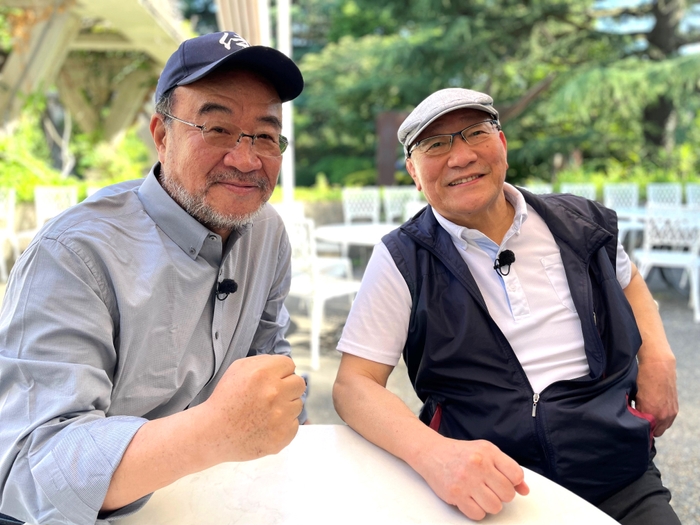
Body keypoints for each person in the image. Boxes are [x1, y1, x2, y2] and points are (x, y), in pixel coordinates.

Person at [0, 31, 308, 525]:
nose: (246, 159)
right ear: (162, 136)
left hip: (217, 498)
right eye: (217, 128)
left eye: (266, 136)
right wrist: (211, 431)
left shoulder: (265, 232)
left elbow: (269, 357)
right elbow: (30, 471)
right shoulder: (74, 255)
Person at [332, 88, 680, 524]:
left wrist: (659, 359)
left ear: (502, 144)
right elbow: (353, 385)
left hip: (618, 476)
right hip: (489, 490)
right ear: (414, 173)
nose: (461, 157)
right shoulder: (402, 258)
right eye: (435, 144)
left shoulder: (580, 223)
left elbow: (629, 282)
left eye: (475, 133)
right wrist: (435, 455)